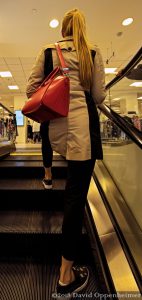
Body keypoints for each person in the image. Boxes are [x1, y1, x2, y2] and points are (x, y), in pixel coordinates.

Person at [26, 8, 106, 297]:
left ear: (63, 28)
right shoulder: (92, 52)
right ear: (83, 27)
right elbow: (98, 97)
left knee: (71, 195)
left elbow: (31, 89)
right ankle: (65, 276)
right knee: (75, 198)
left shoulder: (48, 51)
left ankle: (65, 272)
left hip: (57, 130)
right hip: (84, 133)